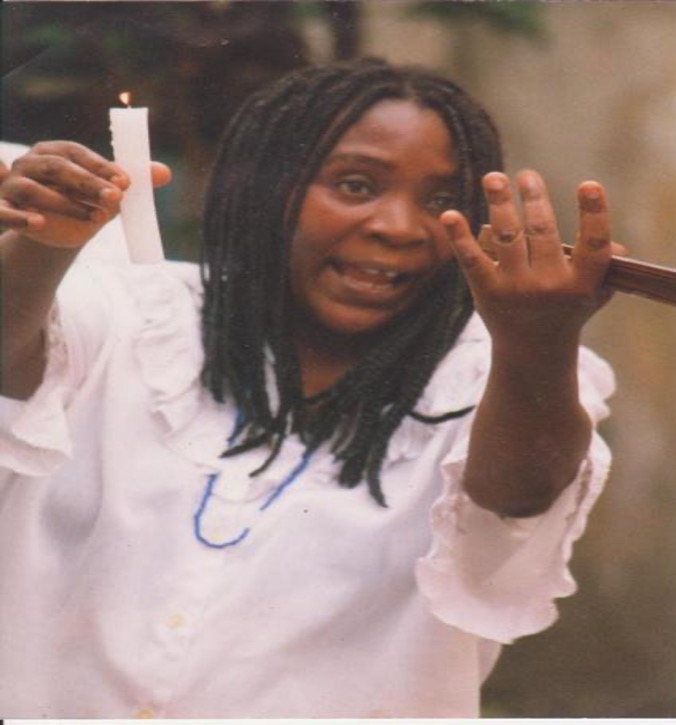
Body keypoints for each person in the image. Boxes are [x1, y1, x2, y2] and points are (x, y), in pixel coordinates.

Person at [0, 58, 619, 718]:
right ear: (270, 187)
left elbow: (518, 496)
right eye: (356, 185)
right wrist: (44, 245)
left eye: (440, 202)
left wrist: (533, 343)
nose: (399, 227)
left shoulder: (492, 374)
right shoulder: (137, 314)